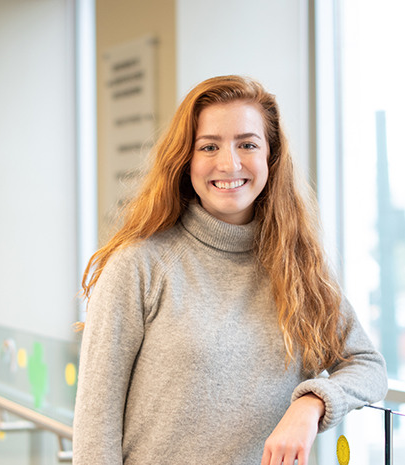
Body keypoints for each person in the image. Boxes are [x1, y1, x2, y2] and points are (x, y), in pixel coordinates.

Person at [73, 75, 388, 465]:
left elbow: (368, 366)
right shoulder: (139, 266)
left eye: (247, 144)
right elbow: (94, 428)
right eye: (209, 146)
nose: (230, 163)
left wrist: (311, 403)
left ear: (270, 157)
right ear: (186, 160)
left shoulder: (297, 268)